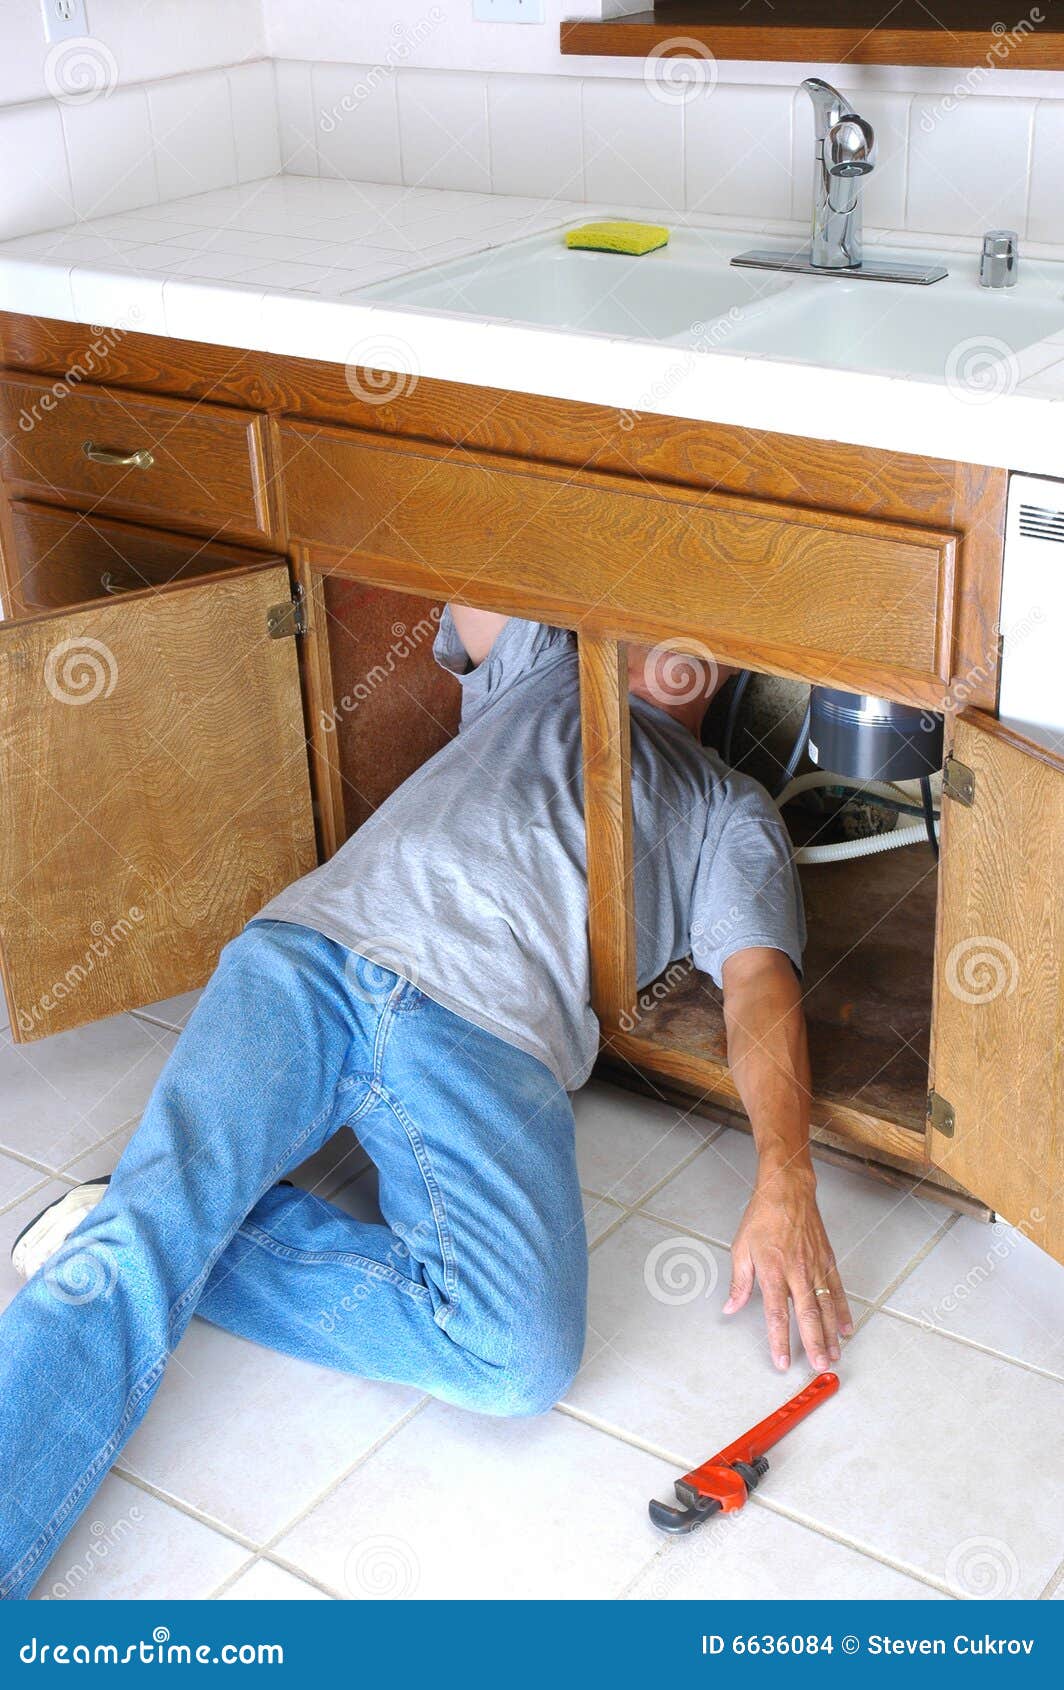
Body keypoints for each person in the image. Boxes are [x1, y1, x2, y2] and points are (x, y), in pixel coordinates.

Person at [0, 607, 851, 1600]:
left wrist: (783, 1173)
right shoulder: (541, 660)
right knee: (129, 1256)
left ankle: (155, 1217)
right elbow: (485, 529)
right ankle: (147, 1225)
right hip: (310, 958)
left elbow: (756, 987)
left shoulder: (726, 804)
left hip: (483, 1037)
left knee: (514, 1361)